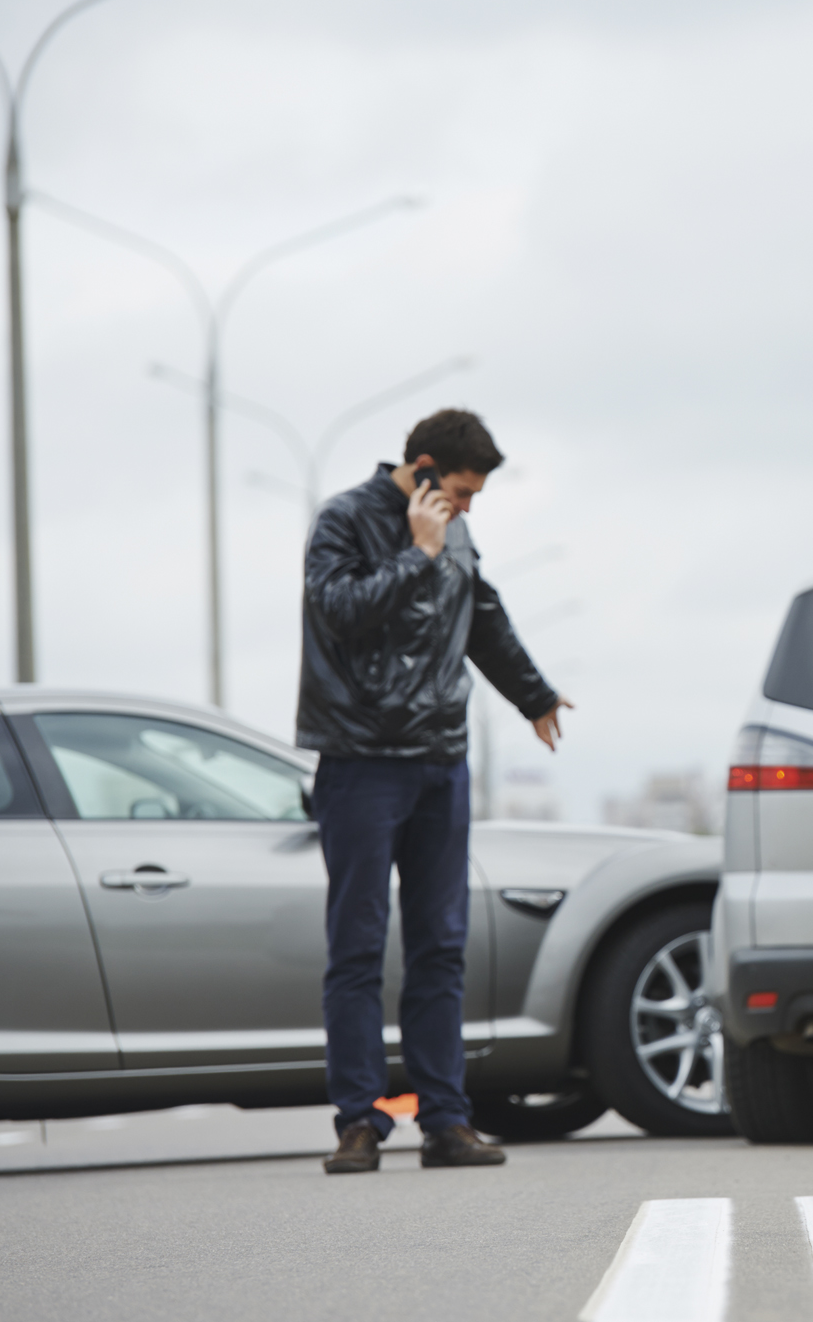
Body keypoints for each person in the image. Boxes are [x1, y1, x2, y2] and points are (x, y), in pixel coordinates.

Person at [300, 408, 574, 1175]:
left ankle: (446, 1120)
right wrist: (418, 553)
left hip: (439, 761)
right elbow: (338, 613)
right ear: (420, 468)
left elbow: (479, 613)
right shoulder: (345, 521)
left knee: (441, 948)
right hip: (360, 759)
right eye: (458, 490)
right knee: (356, 947)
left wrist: (534, 696)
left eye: (473, 496)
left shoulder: (454, 529)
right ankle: (358, 1120)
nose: (465, 507)